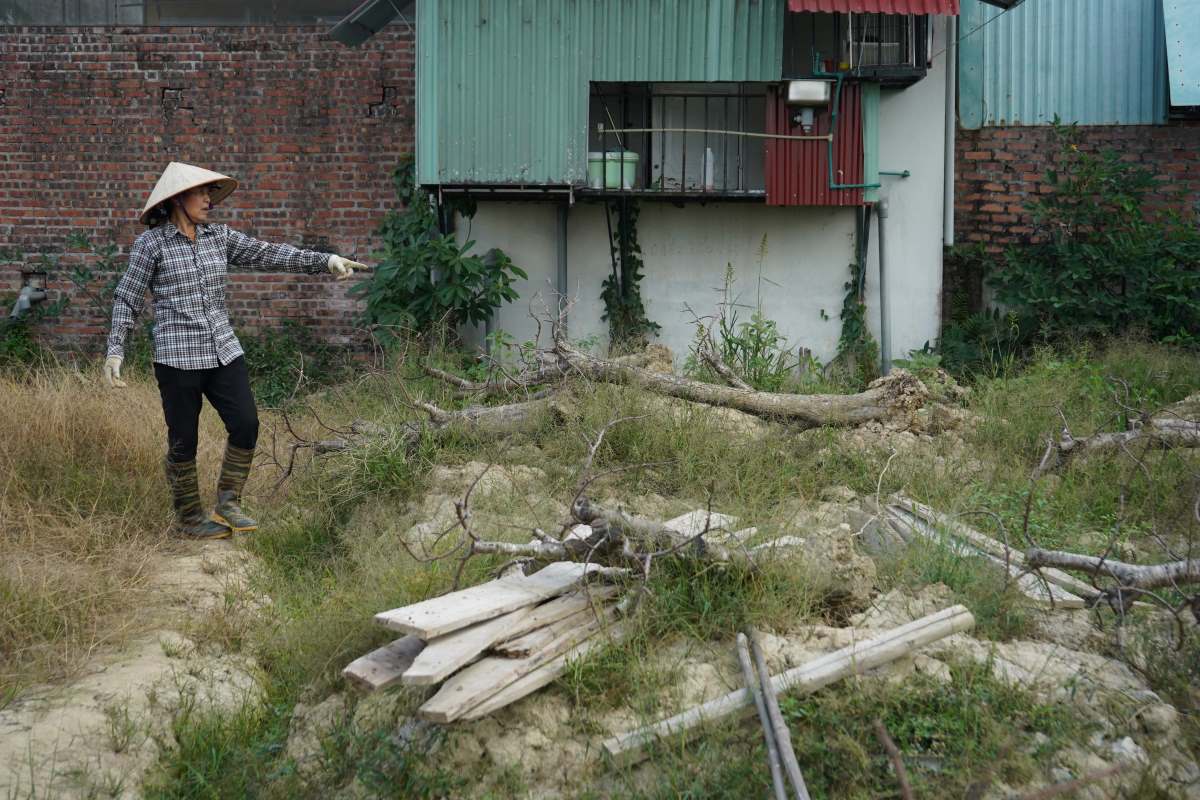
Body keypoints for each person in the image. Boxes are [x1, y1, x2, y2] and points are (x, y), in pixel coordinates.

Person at [103, 161, 366, 539]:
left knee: (246, 423)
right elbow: (126, 298)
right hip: (177, 359)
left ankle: (228, 502)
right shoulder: (151, 245)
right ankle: (190, 519)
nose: (209, 199)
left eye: (211, 192)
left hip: (223, 350)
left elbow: (271, 254)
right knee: (183, 441)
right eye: (201, 192)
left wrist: (325, 261)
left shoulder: (220, 237)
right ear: (178, 198)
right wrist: (116, 350)